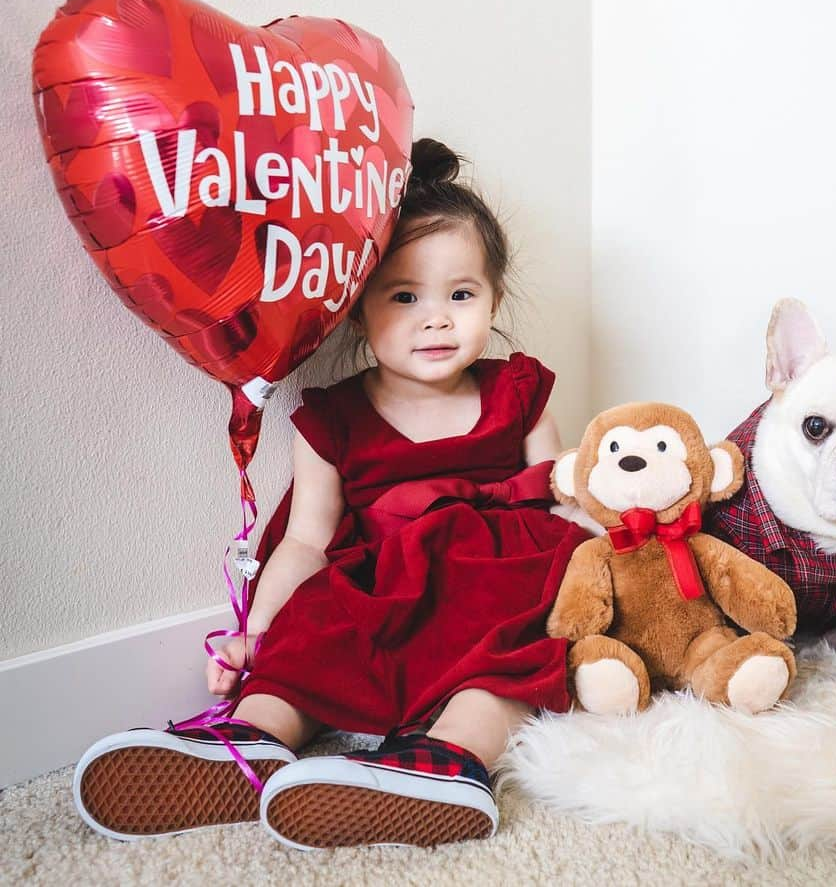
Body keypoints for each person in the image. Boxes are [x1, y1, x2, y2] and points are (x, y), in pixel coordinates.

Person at [73, 139, 586, 850]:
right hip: (379, 590)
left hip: (494, 584)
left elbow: (561, 503)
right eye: (404, 296)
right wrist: (258, 632)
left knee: (510, 660)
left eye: (460, 295)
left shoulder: (519, 392)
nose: (435, 318)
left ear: (494, 297)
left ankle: (450, 761)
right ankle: (254, 735)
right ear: (355, 307)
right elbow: (307, 541)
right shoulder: (332, 421)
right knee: (313, 637)